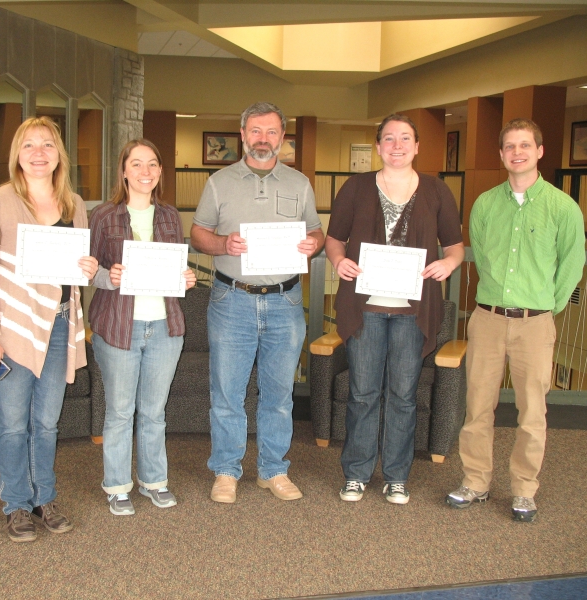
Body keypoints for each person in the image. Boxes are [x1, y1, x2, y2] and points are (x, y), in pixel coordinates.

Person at [447, 118, 585, 522]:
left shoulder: (564, 208)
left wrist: (543, 308)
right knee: (477, 407)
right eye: (509, 146)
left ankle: (524, 489)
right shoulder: (486, 204)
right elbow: (484, 261)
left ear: (540, 151)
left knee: (532, 412)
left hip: (535, 324)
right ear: (502, 154)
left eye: (525, 145)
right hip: (487, 319)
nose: (517, 152)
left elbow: (571, 268)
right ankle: (475, 481)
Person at [325, 114, 464, 505]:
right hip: (364, 308)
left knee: (403, 395)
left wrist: (448, 264)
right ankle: (356, 473)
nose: (397, 145)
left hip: (413, 312)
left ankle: (397, 476)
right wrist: (338, 262)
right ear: (378, 146)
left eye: (405, 138)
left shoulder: (437, 191)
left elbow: (455, 247)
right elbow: (335, 239)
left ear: (417, 146)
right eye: (389, 139)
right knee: (363, 393)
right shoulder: (355, 187)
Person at [0, 116, 98, 541]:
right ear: (17, 155)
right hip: (12, 328)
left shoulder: (74, 203)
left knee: (46, 422)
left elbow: (78, 273)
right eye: (29, 146)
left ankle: (44, 497)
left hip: (59, 325)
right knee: (12, 424)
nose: (39, 153)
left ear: (58, 153)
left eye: (47, 145)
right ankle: (16, 504)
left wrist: (90, 267)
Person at [191, 101, 323, 503]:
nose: (263, 139)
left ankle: (273, 469)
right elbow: (198, 234)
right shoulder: (218, 182)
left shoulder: (300, 183)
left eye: (271, 132)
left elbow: (317, 235)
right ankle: (227, 471)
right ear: (243, 134)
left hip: (285, 302)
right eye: (256, 131)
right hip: (233, 299)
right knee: (227, 392)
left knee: (279, 393)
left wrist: (311, 244)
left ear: (282, 138)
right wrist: (222, 243)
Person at [89, 139, 197, 515]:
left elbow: (173, 265)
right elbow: (87, 270)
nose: (145, 172)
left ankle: (154, 481)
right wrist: (108, 275)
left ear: (160, 172)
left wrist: (185, 277)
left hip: (165, 327)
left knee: (154, 411)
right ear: (123, 171)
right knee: (120, 411)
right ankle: (118, 486)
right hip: (119, 327)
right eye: (137, 165)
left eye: (152, 164)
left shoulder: (169, 216)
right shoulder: (104, 216)